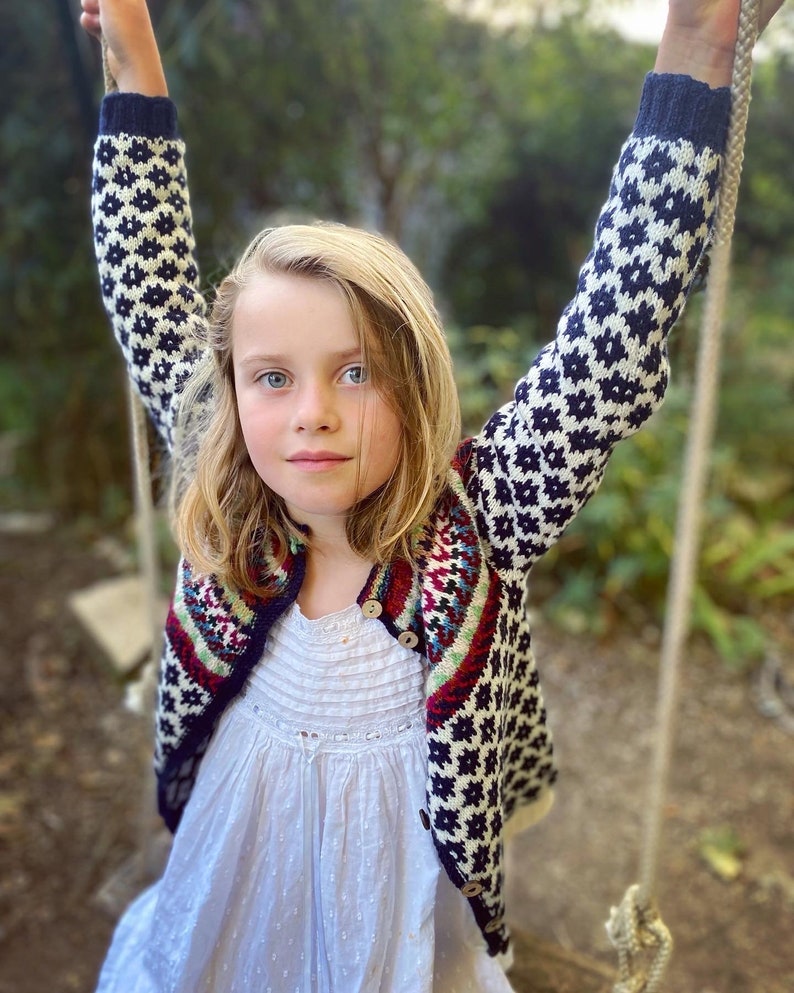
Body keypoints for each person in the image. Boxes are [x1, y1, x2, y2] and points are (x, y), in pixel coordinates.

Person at [81, 0, 785, 990]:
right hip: (230, 885)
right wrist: (134, 59)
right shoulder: (240, 515)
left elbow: (609, 344)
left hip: (392, 924)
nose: (312, 413)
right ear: (232, 390)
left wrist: (698, 42)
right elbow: (145, 282)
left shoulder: (476, 527)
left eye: (356, 372)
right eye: (272, 376)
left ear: (413, 387)